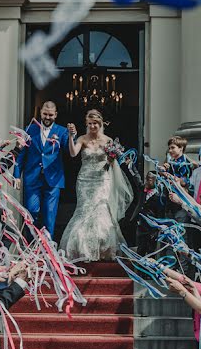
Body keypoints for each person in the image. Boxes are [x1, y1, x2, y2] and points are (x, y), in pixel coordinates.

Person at [59, 109, 134, 262]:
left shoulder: (108, 141)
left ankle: (103, 249)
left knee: (101, 210)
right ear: (86, 124)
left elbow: (115, 160)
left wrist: (114, 159)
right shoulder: (82, 139)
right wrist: (71, 137)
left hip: (102, 180)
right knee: (84, 211)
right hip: (85, 181)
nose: (92, 126)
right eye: (90, 123)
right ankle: (82, 249)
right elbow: (73, 153)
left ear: (100, 124)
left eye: (95, 124)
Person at [14, 101, 70, 236]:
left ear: (55, 115)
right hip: (32, 178)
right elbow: (21, 154)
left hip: (53, 179)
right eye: (45, 114)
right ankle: (29, 245)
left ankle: (48, 247)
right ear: (40, 113)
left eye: (51, 114)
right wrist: (16, 175)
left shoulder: (62, 131)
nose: (47, 117)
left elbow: (70, 151)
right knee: (31, 211)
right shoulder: (29, 129)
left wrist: (72, 136)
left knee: (49, 214)